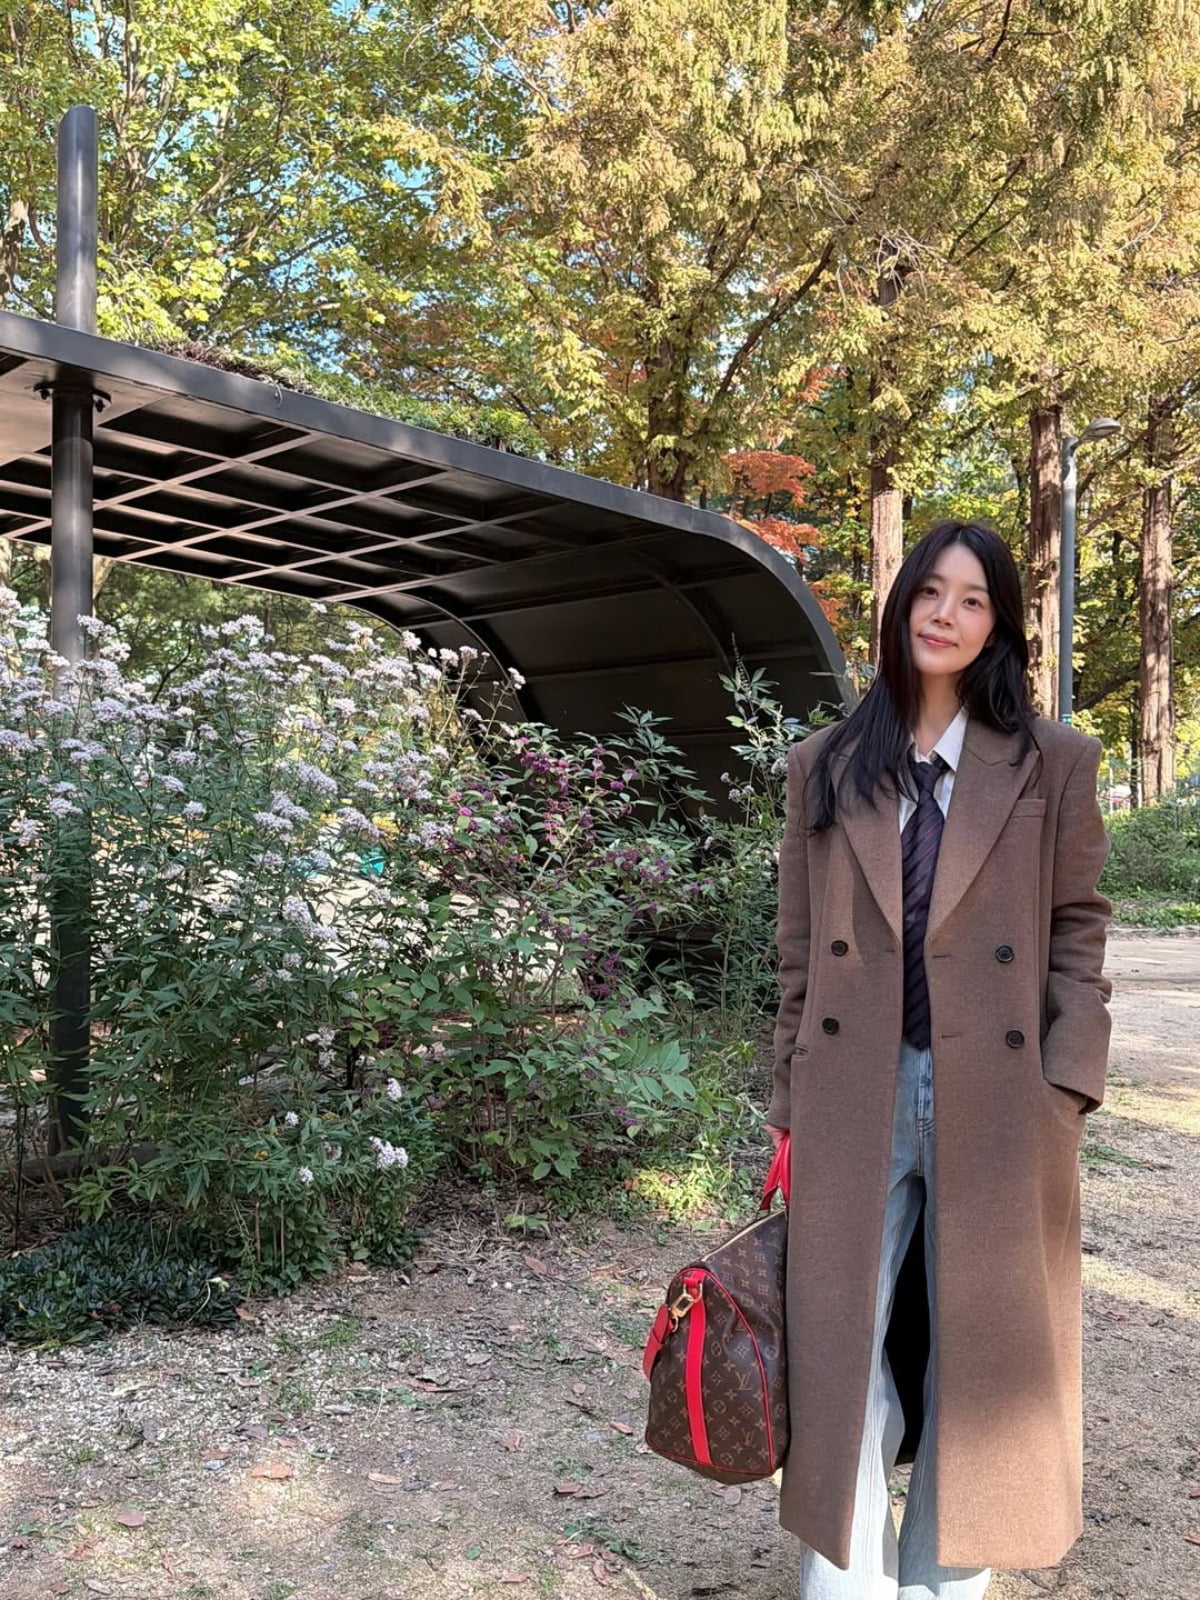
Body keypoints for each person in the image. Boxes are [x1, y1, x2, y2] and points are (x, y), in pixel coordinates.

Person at [766, 520, 1112, 1598]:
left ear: (999, 622)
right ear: (899, 604)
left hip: (1001, 1098)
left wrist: (1066, 1079)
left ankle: (946, 1579)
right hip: (850, 1088)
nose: (944, 614)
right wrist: (788, 1089)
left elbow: (1079, 928)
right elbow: (793, 945)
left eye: (970, 599)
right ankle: (849, 1577)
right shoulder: (826, 764)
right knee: (843, 1340)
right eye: (929, 591)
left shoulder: (1054, 762)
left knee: (981, 1349)